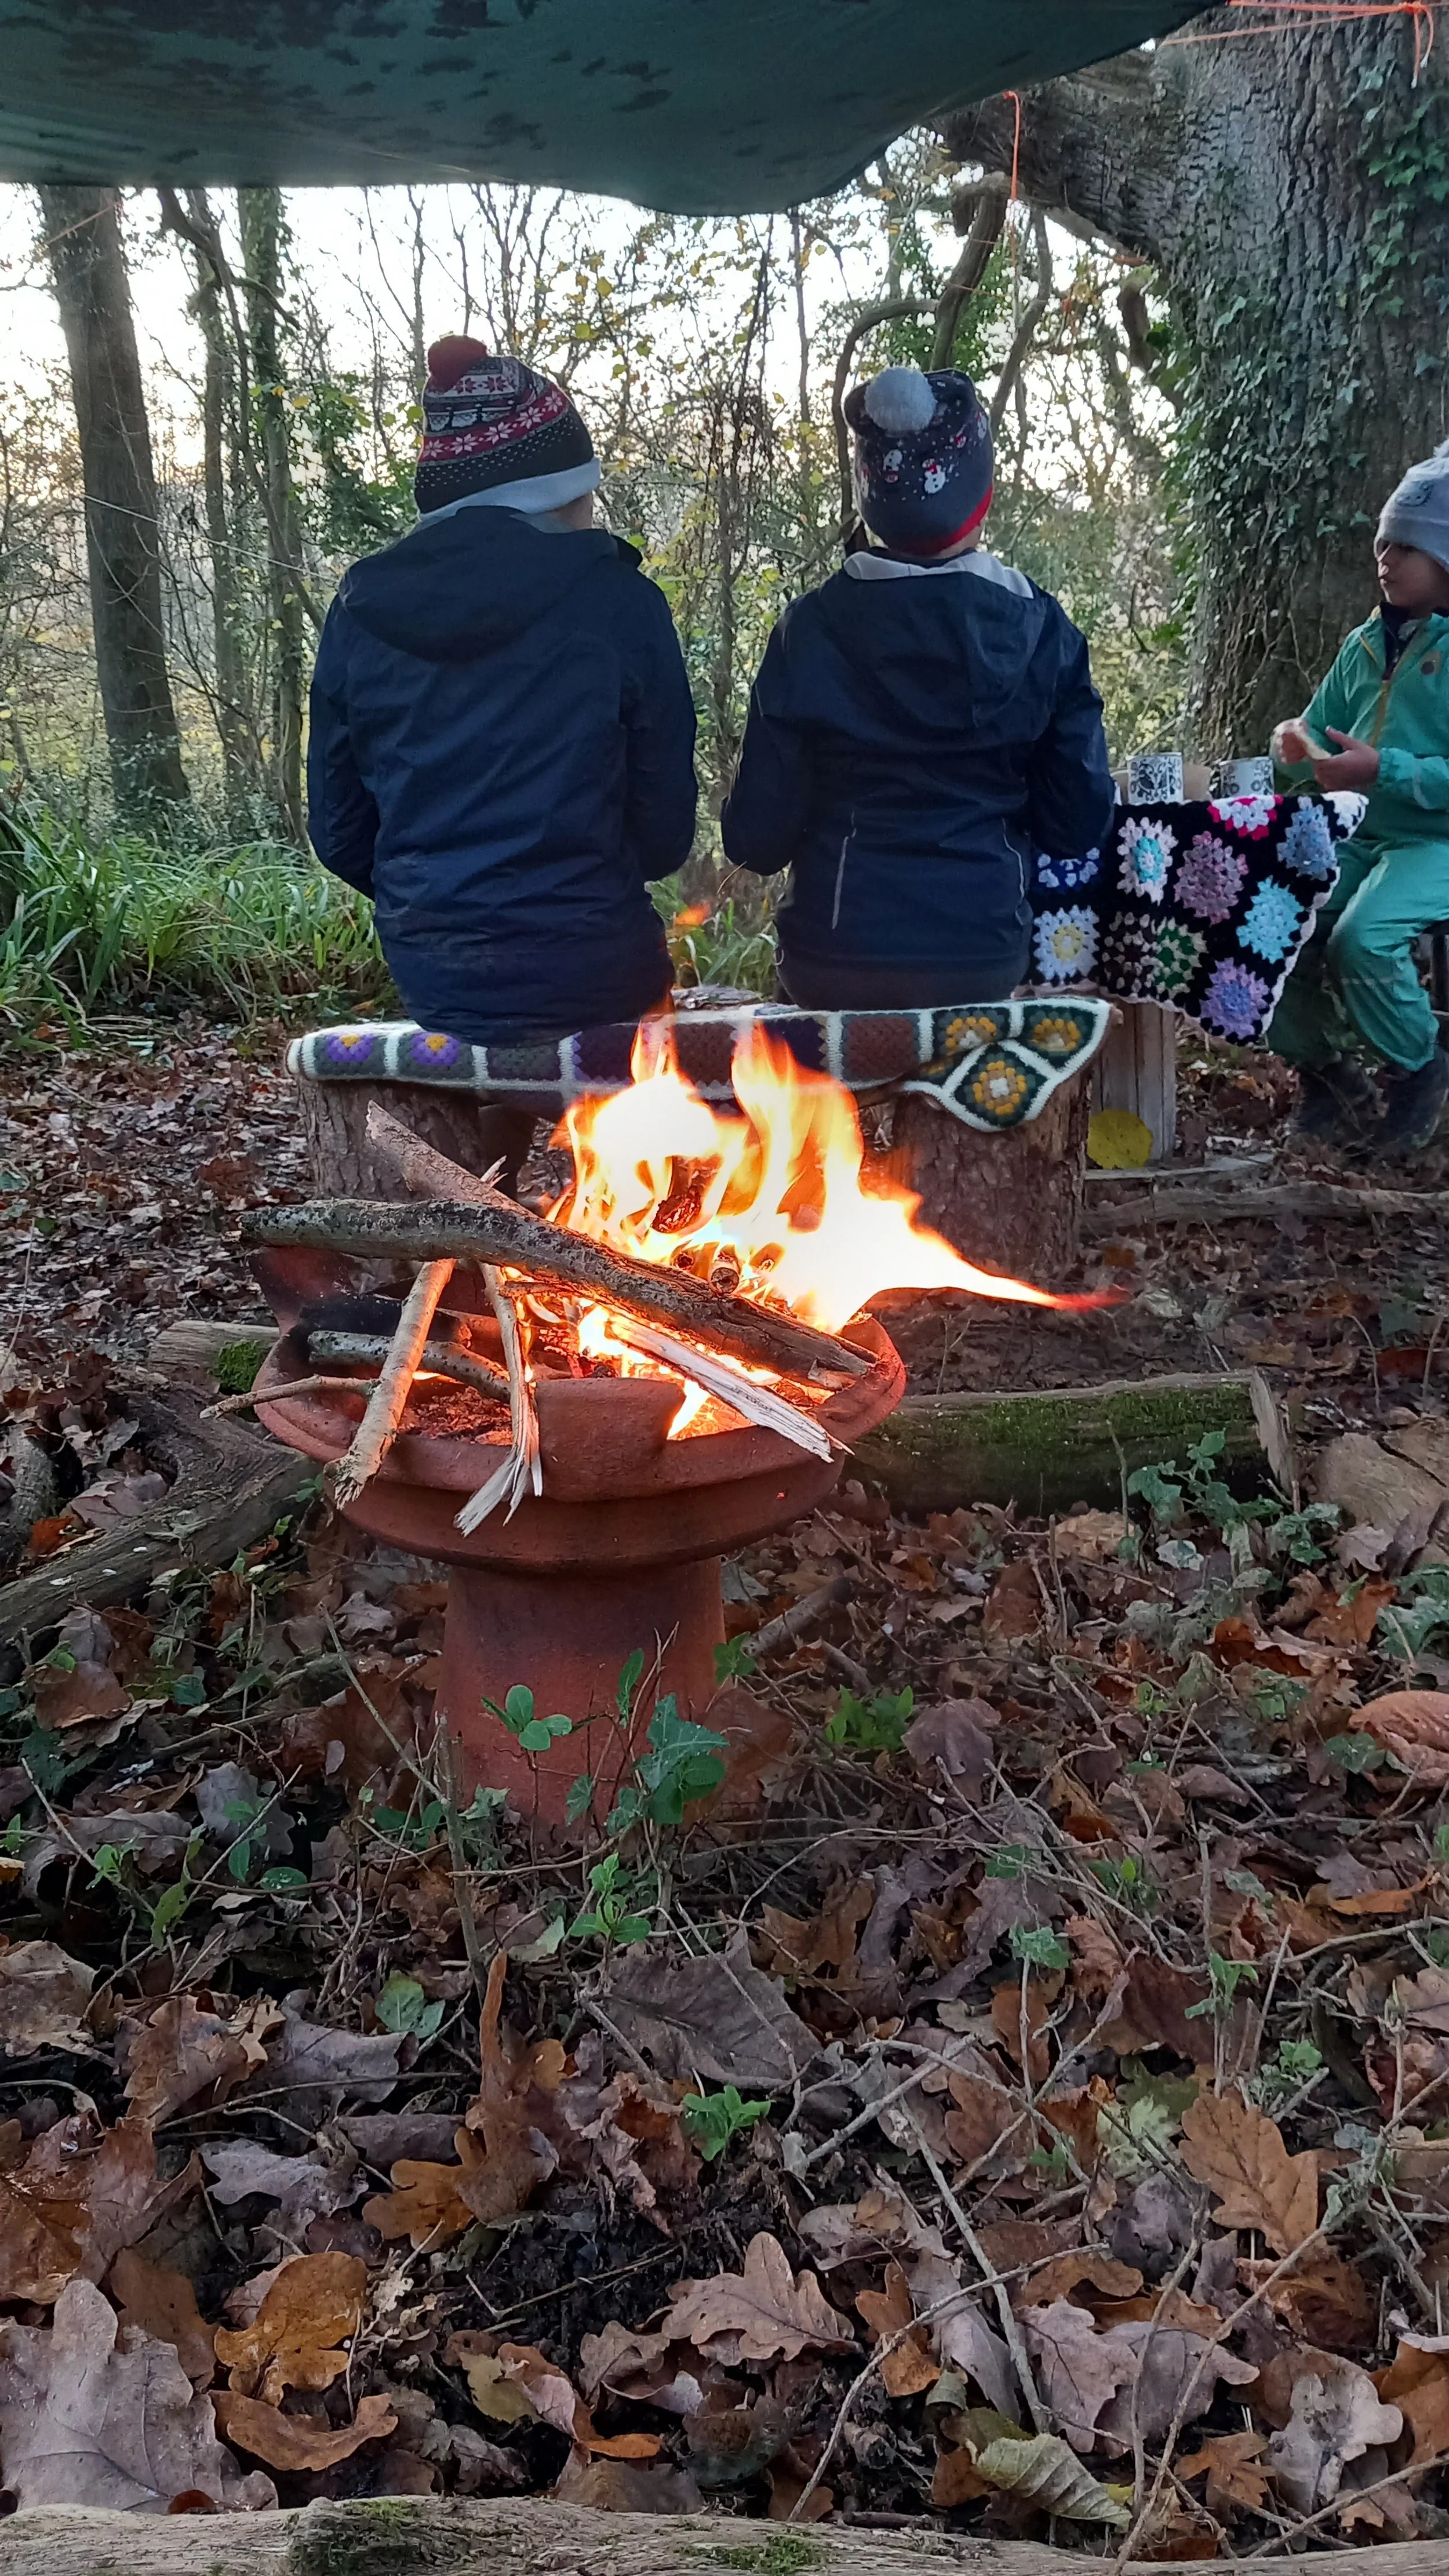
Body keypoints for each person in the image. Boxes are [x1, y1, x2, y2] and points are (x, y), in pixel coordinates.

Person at [307, 337, 698, 1047]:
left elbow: (339, 835)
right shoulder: (621, 604)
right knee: (646, 1054)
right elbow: (665, 831)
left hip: (435, 974)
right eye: (586, 489)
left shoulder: (360, 610)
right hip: (599, 967)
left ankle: (482, 1159)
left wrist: (438, 901)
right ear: (556, 493)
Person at [720, 365, 1113, 1007]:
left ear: (869, 496)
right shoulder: (1046, 634)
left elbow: (757, 843)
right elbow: (1077, 827)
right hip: (982, 959)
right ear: (981, 493)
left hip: (832, 960)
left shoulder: (808, 631)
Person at [1269, 440, 1449, 1153]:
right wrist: (1292, 747)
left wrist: (1384, 772)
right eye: (1382, 543)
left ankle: (1419, 1069)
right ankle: (1330, 1074)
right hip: (1359, 837)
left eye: (1406, 546)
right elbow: (1313, 739)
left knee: (1360, 938)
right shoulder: (1364, 645)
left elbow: (1388, 768)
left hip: (1434, 840)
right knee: (1273, 921)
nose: (1386, 558)